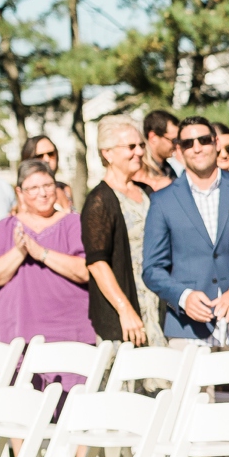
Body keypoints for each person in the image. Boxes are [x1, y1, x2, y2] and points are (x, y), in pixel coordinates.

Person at [142, 115, 229, 353]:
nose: (197, 148)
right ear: (179, 150)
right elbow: (152, 268)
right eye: (189, 143)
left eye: (203, 140)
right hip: (189, 328)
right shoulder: (162, 201)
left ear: (215, 143)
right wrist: (183, 296)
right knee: (192, 392)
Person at [0, 158, 95, 394]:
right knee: (20, 416)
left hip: (67, 334)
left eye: (47, 185)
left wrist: (41, 252)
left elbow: (84, 270)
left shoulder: (74, 223)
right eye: (33, 188)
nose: (42, 193)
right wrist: (20, 251)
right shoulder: (5, 227)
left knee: (68, 412)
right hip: (17, 335)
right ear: (20, 192)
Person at [79, 117, 155, 350]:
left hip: (154, 303)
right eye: (131, 147)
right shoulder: (100, 200)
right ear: (108, 153)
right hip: (126, 306)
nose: (139, 152)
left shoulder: (146, 192)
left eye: (141, 145)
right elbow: (97, 263)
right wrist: (125, 309)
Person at [20, 135, 75, 212]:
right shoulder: (25, 193)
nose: (46, 159)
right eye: (39, 156)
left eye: (51, 154)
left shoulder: (65, 188)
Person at [138, 109, 180, 190]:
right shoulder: (141, 171)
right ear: (153, 137)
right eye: (173, 140)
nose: (177, 145)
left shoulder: (167, 168)